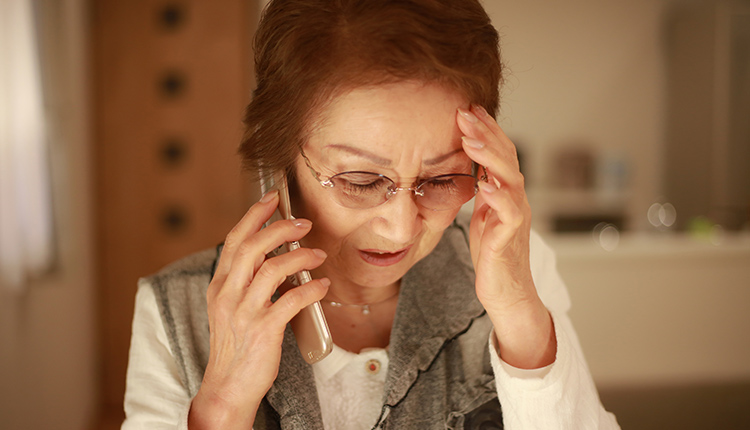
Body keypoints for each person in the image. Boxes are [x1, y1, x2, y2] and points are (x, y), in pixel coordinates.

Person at [122, 0, 621, 429]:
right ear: (280, 164)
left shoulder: (518, 268)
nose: (401, 227)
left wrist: (519, 319)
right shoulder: (176, 310)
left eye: (443, 179)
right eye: (361, 181)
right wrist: (224, 407)